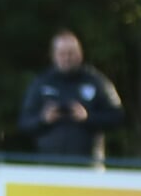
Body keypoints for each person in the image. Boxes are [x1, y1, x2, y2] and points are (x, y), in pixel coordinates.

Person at [17, 30, 124, 163]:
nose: (67, 58)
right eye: (62, 54)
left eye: (71, 53)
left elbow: (117, 117)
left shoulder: (97, 81)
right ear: (53, 55)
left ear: (80, 54)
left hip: (88, 166)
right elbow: (24, 122)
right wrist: (43, 119)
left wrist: (88, 117)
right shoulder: (40, 83)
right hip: (48, 166)